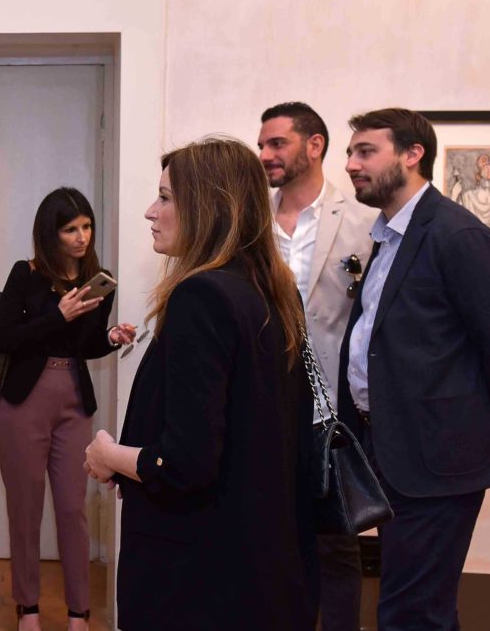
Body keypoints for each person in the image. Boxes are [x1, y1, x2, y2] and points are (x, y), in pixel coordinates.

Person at [85, 138, 318, 630]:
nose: (151, 211)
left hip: (199, 576)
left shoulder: (202, 297)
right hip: (262, 565)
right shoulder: (274, 292)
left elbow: (185, 464)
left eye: (165, 197)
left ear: (208, 207)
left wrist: (110, 456)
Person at [340, 108, 490, 630]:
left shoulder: (458, 235)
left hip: (436, 459)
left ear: (413, 154)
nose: (351, 164)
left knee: (412, 613)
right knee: (414, 607)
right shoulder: (388, 236)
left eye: (366, 152)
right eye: (350, 152)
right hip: (389, 449)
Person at [258, 101, 378, 631]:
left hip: (331, 409)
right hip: (260, 404)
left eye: (277, 143)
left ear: (314, 145)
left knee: (336, 542)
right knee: (265, 537)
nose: (266, 154)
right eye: (262, 145)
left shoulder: (363, 222)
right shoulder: (250, 221)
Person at [0, 187, 135, 631]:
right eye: (71, 229)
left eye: (87, 226)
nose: (81, 237)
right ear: (50, 233)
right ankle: (28, 608)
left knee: (74, 508)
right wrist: (58, 315)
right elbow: (4, 338)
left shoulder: (99, 281)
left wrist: (109, 338)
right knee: (25, 509)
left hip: (74, 399)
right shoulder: (27, 274)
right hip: (25, 401)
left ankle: (79, 612)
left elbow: (84, 345)